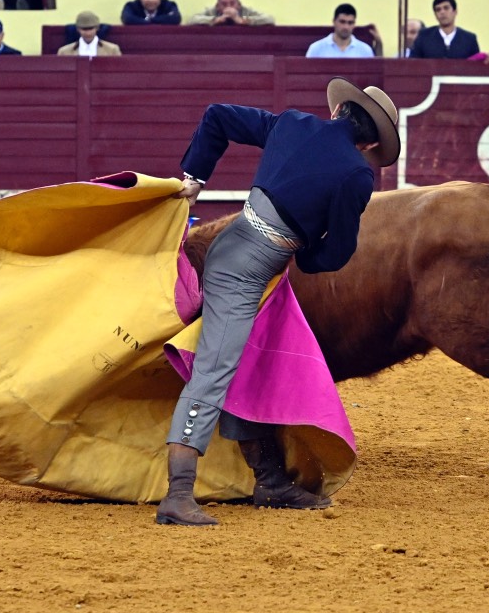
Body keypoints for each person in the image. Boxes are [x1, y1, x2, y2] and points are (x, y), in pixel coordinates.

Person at [156, 77, 400, 526]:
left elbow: (217, 115)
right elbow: (338, 252)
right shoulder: (356, 172)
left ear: (339, 113)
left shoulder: (291, 123)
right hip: (247, 272)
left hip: (240, 252)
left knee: (249, 367)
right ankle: (177, 494)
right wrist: (304, 251)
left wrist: (194, 178)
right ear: (369, 142)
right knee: (215, 370)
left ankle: (269, 480)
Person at [412, 0, 489, 59]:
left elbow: (475, 67)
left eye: (446, 8)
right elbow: (414, 64)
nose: (442, 12)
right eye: (438, 10)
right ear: (435, 15)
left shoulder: (469, 39)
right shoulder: (424, 36)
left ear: (455, 12)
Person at [306, 4, 375, 59]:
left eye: (350, 23)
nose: (346, 27)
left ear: (354, 24)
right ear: (334, 21)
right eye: (342, 22)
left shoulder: (365, 51)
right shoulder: (316, 49)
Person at [188, 0, 274, 26]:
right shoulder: (212, 11)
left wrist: (244, 21)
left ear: (239, 4)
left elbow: (270, 19)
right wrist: (215, 20)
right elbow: (192, 20)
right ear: (217, 6)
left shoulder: (246, 10)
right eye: (224, 4)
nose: (229, 7)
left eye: (232, 3)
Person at [58, 10, 122, 57]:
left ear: (97, 28)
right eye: (84, 29)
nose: (88, 33)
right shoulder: (64, 52)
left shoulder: (112, 50)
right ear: (78, 29)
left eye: (91, 29)